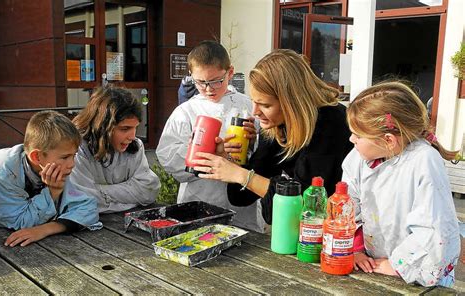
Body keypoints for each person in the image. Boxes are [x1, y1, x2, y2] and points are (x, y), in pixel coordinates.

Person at [192, 49, 353, 224]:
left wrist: (242, 175)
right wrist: (235, 158)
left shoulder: (330, 123)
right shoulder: (276, 125)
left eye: (265, 105)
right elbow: (241, 196)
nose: (255, 112)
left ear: (292, 102)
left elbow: (310, 204)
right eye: (254, 101)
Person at [342, 81, 460, 287]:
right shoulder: (357, 158)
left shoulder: (423, 161)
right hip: (373, 266)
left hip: (419, 275)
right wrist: (356, 249)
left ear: (388, 140)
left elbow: (434, 227)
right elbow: (349, 208)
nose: (351, 139)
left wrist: (399, 265)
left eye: (358, 135)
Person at [156, 40, 264, 232]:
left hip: (242, 203)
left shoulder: (249, 106)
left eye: (216, 81)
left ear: (229, 73)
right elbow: (167, 155)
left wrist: (255, 140)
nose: (208, 88)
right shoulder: (186, 111)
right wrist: (211, 151)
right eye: (200, 82)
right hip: (200, 197)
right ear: (191, 77)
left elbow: (266, 155)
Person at [0, 111, 101, 247]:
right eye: (65, 157)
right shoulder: (2, 171)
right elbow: (20, 222)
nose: (72, 164)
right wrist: (52, 192)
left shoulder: (54, 167)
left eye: (74, 155)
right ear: (37, 157)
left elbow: (88, 207)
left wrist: (46, 229)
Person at [70, 87, 161, 213]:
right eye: (124, 129)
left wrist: (99, 191)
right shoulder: (77, 149)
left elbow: (149, 190)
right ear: (102, 126)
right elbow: (82, 200)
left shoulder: (135, 146)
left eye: (135, 128)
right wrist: (131, 198)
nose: (132, 136)